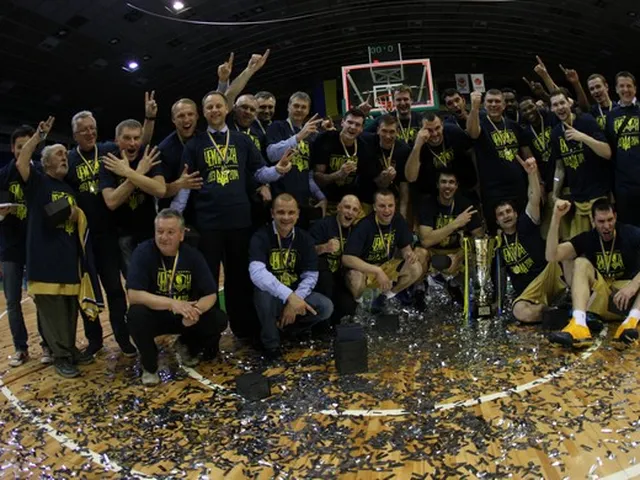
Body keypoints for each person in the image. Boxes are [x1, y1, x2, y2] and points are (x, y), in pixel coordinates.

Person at [171, 90, 293, 341]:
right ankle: (209, 337)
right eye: (209, 107)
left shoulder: (242, 141)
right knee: (208, 281)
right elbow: (185, 187)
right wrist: (175, 219)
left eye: (218, 106)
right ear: (204, 113)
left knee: (239, 280)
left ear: (227, 109)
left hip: (239, 222)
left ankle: (244, 331)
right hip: (208, 224)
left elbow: (259, 173)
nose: (215, 110)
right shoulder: (194, 145)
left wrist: (278, 171)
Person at [16, 117, 97, 378]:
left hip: (68, 259)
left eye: (65, 154)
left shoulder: (68, 187)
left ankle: (69, 349)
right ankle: (60, 356)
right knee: (53, 313)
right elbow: (21, 162)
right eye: (59, 154)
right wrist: (39, 136)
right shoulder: (37, 182)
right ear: (46, 162)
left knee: (70, 310)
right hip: (45, 260)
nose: (65, 157)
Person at [126, 209, 228, 385]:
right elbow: (134, 294)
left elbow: (210, 294)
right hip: (155, 314)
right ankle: (149, 364)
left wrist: (196, 311)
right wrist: (172, 303)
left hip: (184, 315)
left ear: (181, 235)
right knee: (135, 314)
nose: (164, 237)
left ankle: (187, 345)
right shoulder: (143, 252)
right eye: (160, 231)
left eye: (170, 232)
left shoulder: (192, 255)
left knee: (218, 319)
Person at [67, 111, 137, 356]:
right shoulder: (69, 159)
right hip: (83, 239)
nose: (90, 133)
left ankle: (123, 338)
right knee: (88, 291)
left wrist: (149, 119)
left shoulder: (108, 149)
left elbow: (137, 142)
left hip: (109, 234)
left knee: (115, 290)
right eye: (84, 130)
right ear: (74, 135)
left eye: (92, 128)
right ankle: (94, 341)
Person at [248, 194, 333, 359]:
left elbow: (311, 275)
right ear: (272, 213)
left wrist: (294, 301)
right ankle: (271, 345)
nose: (286, 217)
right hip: (272, 296)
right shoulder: (261, 236)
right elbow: (257, 273)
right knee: (262, 294)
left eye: (291, 212)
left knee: (325, 307)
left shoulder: (304, 238)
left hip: (296, 295)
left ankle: (289, 330)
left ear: (298, 214)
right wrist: (289, 296)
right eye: (281, 212)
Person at [546, 198, 640, 347]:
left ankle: (632, 323)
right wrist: (556, 218)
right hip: (603, 299)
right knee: (580, 262)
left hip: (630, 299)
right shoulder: (588, 238)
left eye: (610, 220)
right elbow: (551, 256)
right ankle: (579, 324)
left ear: (615, 217)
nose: (607, 226)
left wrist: (633, 286)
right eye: (601, 221)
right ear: (592, 221)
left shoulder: (629, 233)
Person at [495, 156, 567, 323]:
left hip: (547, 275)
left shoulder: (526, 223)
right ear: (497, 221)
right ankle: (555, 311)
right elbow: (500, 275)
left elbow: (534, 198)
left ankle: (565, 307)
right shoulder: (497, 242)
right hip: (529, 292)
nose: (506, 216)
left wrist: (532, 174)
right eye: (501, 214)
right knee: (519, 312)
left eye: (508, 211)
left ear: (515, 214)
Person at [0, 126, 50, 366]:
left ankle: (47, 345)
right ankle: (20, 348)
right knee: (12, 301)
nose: (23, 150)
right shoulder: (3, 175)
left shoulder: (41, 173)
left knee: (41, 297)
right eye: (19, 147)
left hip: (36, 245)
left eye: (28, 145)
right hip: (10, 246)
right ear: (12, 149)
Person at [100, 119, 166, 275]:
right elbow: (111, 201)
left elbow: (160, 190)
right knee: (134, 281)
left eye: (136, 138)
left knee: (156, 279)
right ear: (117, 140)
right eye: (127, 138)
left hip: (149, 230)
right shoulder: (109, 162)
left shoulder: (148, 156)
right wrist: (140, 173)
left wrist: (128, 173)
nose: (132, 143)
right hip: (122, 233)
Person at [343, 189, 425, 312]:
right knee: (354, 276)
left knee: (416, 267)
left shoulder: (398, 220)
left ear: (395, 205)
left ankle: (387, 297)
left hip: (386, 265)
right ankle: (362, 305)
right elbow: (347, 258)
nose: (387, 210)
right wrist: (376, 271)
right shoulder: (364, 225)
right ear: (374, 207)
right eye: (382, 206)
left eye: (390, 205)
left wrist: (409, 254)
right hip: (366, 269)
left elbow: (405, 248)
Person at [466, 89, 533, 233]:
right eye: (489, 101)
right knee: (497, 231)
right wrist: (474, 108)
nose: (493, 104)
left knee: (523, 226)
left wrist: (537, 182)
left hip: (518, 186)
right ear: (484, 105)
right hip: (493, 190)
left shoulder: (513, 125)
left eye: (497, 101)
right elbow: (472, 133)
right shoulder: (480, 124)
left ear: (503, 105)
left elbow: (528, 156)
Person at [549, 89, 612, 238]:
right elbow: (559, 168)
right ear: (551, 109)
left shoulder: (586, 121)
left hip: (598, 193)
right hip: (577, 197)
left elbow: (607, 152)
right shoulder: (555, 133)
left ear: (569, 103)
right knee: (579, 244)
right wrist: (555, 193)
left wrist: (582, 137)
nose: (560, 107)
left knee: (604, 239)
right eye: (555, 105)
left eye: (562, 103)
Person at [266, 92, 327, 226]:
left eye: (303, 107)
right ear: (288, 107)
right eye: (296, 106)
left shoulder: (311, 135)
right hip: (281, 200)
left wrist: (321, 197)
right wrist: (298, 137)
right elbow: (271, 154)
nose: (299, 109)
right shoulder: (277, 126)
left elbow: (308, 173)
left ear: (308, 110)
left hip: (303, 202)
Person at [418, 170, 484, 287]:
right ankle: (419, 290)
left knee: (477, 254)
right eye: (443, 182)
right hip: (433, 251)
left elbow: (479, 236)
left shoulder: (465, 205)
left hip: (456, 251)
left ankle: (469, 289)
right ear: (437, 185)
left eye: (451, 182)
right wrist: (455, 223)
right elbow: (425, 241)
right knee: (419, 253)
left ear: (456, 186)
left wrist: (460, 255)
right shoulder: (427, 204)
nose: (447, 186)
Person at [310, 195, 362, 322]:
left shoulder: (356, 231)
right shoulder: (322, 225)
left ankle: (334, 325)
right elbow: (305, 252)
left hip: (340, 278)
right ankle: (321, 325)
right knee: (326, 278)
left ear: (358, 214)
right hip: (319, 278)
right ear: (338, 207)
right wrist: (324, 247)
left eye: (354, 210)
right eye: (347, 207)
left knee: (348, 306)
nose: (350, 212)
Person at [311, 108, 371, 214]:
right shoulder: (326, 139)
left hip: (351, 202)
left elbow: (364, 182)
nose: (353, 127)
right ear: (342, 122)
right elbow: (317, 178)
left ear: (362, 129)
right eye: (350, 122)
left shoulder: (364, 147)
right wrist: (338, 174)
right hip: (325, 200)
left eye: (357, 125)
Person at [405, 113, 476, 201]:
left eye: (437, 128)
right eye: (429, 130)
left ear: (442, 125)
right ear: (421, 130)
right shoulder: (417, 145)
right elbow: (411, 178)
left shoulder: (454, 132)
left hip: (461, 189)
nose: (434, 134)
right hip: (432, 196)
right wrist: (417, 146)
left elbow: (473, 152)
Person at [606, 71, 640, 226]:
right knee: (627, 226)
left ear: (635, 88)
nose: (626, 89)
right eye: (622, 86)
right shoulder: (611, 116)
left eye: (629, 86)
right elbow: (610, 150)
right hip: (623, 184)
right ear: (616, 89)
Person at [157, 98, 204, 211]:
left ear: (197, 116)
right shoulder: (163, 150)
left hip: (204, 208)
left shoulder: (206, 141)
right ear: (173, 119)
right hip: (175, 213)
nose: (186, 119)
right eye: (181, 116)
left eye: (190, 114)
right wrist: (180, 184)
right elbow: (159, 191)